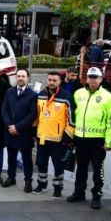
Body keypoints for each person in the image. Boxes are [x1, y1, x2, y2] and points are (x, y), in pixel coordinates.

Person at [67, 66, 111, 209]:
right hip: (80, 137)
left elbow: (110, 121)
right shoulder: (78, 93)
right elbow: (72, 115)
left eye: (96, 77)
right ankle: (79, 192)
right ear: (86, 78)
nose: (93, 80)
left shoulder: (109, 97)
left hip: (97, 140)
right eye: (90, 77)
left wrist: (109, 141)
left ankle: (96, 196)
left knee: (97, 170)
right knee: (81, 167)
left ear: (101, 79)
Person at [33, 71, 74, 199]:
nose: (51, 82)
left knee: (58, 165)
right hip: (42, 137)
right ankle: (42, 184)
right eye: (49, 80)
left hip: (58, 139)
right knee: (41, 163)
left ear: (60, 81)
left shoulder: (67, 96)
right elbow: (37, 116)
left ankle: (57, 188)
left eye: (54, 80)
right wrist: (34, 132)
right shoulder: (40, 95)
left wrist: (67, 137)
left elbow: (72, 120)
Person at [1, 69, 38, 192]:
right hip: (10, 131)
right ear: (15, 78)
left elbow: (31, 115)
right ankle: (11, 177)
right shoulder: (9, 92)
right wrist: (9, 126)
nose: (20, 78)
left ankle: (28, 181)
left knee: (27, 158)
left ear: (28, 78)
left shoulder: (32, 95)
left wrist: (17, 127)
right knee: (11, 156)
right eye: (18, 76)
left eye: (23, 76)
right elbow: (4, 110)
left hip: (24, 133)